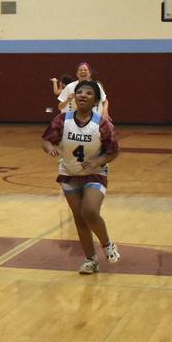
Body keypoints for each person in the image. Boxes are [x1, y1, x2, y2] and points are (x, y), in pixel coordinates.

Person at [40, 80, 121, 274]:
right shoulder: (62, 119)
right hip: (69, 173)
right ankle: (91, 260)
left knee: (89, 211)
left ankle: (108, 244)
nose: (83, 95)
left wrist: (97, 162)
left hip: (95, 173)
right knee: (79, 218)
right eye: (80, 92)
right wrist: (50, 148)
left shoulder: (102, 124)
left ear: (95, 101)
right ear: (75, 97)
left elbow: (114, 151)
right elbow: (46, 140)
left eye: (89, 93)